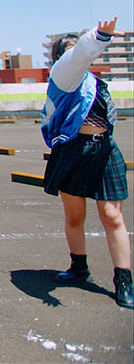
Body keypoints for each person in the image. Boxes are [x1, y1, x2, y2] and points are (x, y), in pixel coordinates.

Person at [41, 17, 131, 309]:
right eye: (70, 49)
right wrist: (99, 36)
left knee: (112, 217)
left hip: (105, 147)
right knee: (75, 216)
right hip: (74, 148)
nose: (76, 52)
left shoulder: (94, 82)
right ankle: (79, 266)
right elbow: (79, 54)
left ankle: (124, 280)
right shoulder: (62, 75)